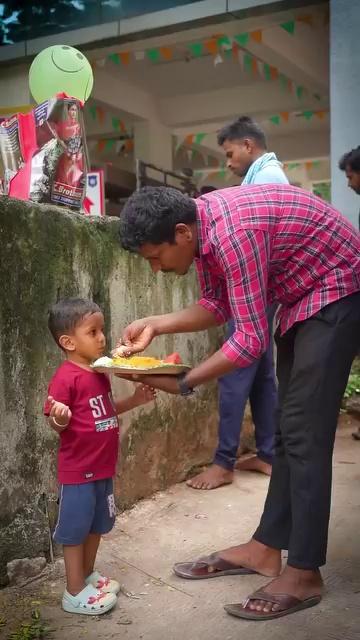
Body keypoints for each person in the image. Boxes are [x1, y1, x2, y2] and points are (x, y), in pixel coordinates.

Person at [116, 184, 360, 621]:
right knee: (290, 428)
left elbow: (248, 341)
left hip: (338, 285)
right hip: (299, 295)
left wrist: (186, 381)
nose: (154, 269)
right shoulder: (203, 233)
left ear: (181, 233)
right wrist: (157, 324)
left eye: (155, 257)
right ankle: (266, 548)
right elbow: (218, 303)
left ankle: (304, 570)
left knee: (305, 431)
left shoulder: (234, 234)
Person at [188, 117, 288, 490]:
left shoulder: (267, 180)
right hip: (264, 292)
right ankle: (267, 453)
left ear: (248, 145)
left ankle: (223, 461)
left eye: (230, 154)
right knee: (262, 376)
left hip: (255, 291)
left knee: (234, 372)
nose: (227, 162)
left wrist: (186, 380)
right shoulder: (263, 176)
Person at [44, 298, 156, 616]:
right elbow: (55, 420)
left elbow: (105, 411)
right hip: (78, 472)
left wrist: (134, 399)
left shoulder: (99, 372)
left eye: (102, 330)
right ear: (68, 342)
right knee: (76, 530)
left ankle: (88, 575)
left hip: (102, 468)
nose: (102, 338)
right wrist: (61, 417)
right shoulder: (66, 377)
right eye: (92, 332)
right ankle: (74, 590)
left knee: (96, 527)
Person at [55, 102, 84, 188]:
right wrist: (64, 146)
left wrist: (78, 153)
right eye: (72, 110)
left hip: (75, 158)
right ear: (68, 111)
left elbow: (80, 143)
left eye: (75, 110)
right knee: (63, 179)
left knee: (73, 182)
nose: (74, 112)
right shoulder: (62, 124)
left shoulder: (78, 126)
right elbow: (58, 139)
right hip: (64, 156)